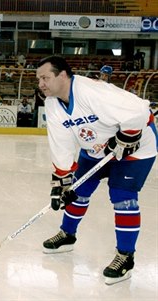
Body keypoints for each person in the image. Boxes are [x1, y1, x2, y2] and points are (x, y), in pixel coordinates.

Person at [36, 55, 157, 285]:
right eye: (38, 79)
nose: (41, 83)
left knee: (123, 197)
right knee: (77, 190)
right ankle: (67, 235)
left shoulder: (91, 91)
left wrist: (127, 136)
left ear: (63, 75)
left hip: (136, 149)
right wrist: (62, 180)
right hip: (94, 150)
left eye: (45, 77)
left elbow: (139, 111)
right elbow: (60, 143)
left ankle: (125, 256)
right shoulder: (52, 103)